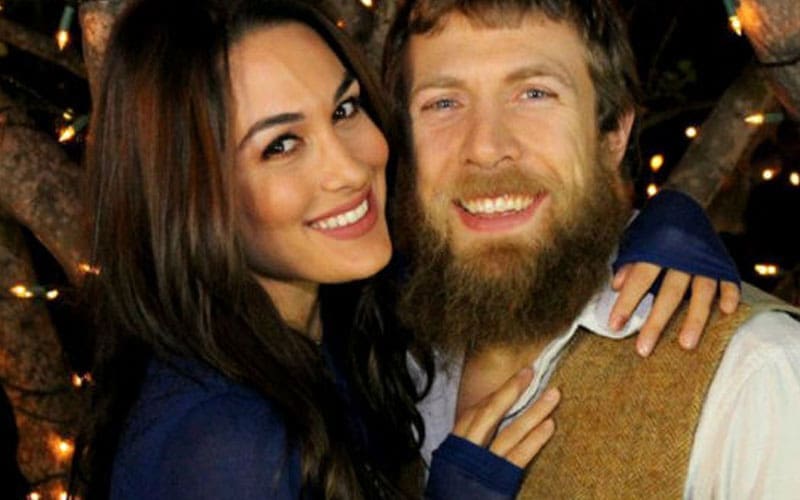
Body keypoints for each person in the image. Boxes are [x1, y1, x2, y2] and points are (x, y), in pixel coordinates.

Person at [72, 0, 740, 498]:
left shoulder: (342, 313)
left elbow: (522, 253)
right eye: (281, 145)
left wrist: (656, 226)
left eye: (344, 110)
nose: (350, 166)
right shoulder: (225, 445)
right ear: (190, 195)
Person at [382, 0, 800, 497]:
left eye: (534, 93)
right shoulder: (374, 356)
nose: (486, 147)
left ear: (613, 134)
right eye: (443, 103)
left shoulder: (751, 376)